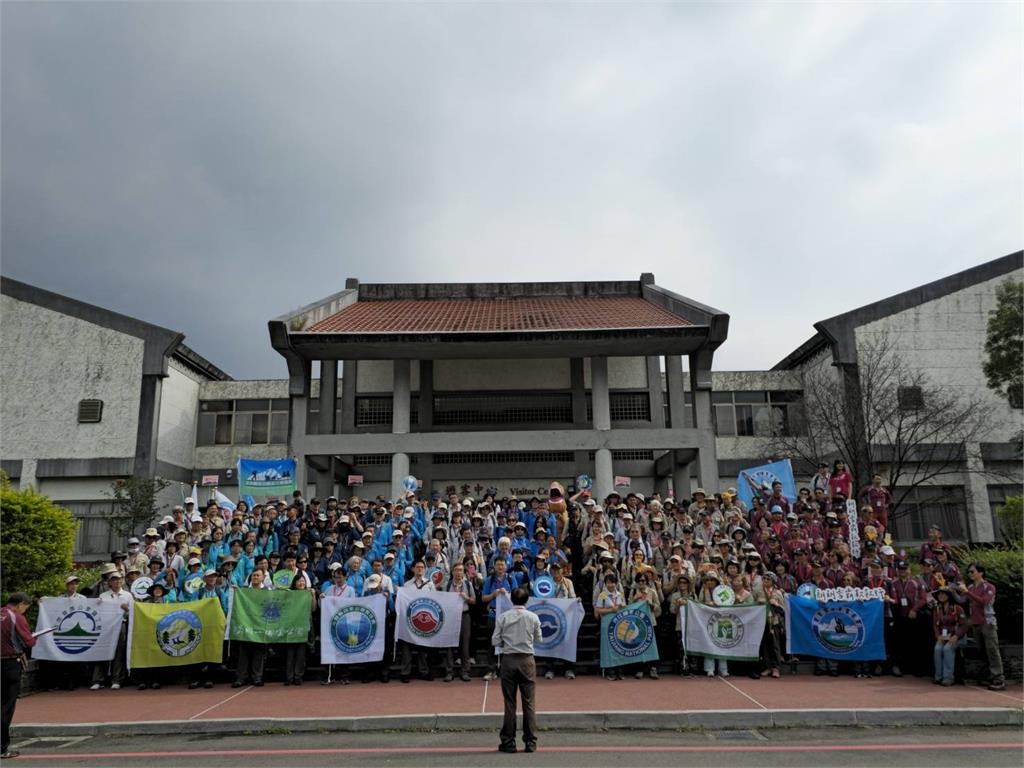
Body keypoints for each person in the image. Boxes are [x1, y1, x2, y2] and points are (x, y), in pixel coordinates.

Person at [492, 586, 542, 754]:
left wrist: (507, 642)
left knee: (510, 702)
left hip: (509, 659)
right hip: (527, 659)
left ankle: (508, 741)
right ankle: (530, 742)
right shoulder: (533, 617)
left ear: (512, 600)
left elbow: (495, 641)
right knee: (529, 702)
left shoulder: (503, 617)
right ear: (526, 600)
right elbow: (538, 638)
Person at [959, 563, 1005, 691]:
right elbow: (962, 600)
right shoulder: (970, 587)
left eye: (972, 572)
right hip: (976, 623)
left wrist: (968, 592)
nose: (970, 574)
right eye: (969, 572)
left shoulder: (989, 587)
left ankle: (998, 679)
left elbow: (984, 601)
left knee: (992, 651)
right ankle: (988, 676)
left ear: (981, 573)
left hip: (987, 622)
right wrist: (953, 592)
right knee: (982, 650)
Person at [1, 593, 36, 759]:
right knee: (6, 706)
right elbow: (29, 641)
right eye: (25, 608)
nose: (24, 611)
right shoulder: (16, 618)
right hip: (9, 664)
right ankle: (2, 747)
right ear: (21, 604)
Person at [931, 584, 966, 686]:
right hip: (943, 636)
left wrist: (956, 636)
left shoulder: (957, 608)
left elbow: (964, 625)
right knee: (937, 649)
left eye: (943, 594)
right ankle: (938, 677)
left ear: (949, 596)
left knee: (947, 649)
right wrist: (938, 636)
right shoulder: (937, 609)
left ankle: (948, 678)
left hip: (957, 637)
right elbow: (935, 625)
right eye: (939, 594)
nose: (941, 596)